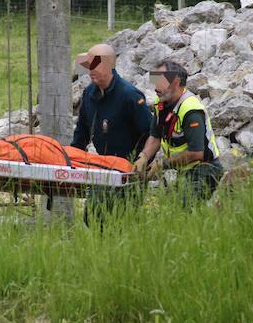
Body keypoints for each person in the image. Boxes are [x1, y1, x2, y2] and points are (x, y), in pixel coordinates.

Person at [71, 43, 152, 224]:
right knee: (91, 218)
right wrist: (71, 159)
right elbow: (82, 131)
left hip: (129, 171)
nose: (89, 69)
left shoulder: (130, 95)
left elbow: (150, 133)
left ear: (109, 66)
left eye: (95, 64)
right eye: (88, 64)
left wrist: (143, 161)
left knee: (121, 221)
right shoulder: (89, 93)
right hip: (103, 167)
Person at [133, 60, 223, 205]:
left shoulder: (191, 110)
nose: (155, 87)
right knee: (174, 208)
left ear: (175, 82)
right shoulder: (160, 101)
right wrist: (144, 156)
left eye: (159, 81)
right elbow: (155, 135)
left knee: (182, 210)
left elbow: (196, 153)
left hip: (205, 169)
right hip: (185, 170)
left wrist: (162, 164)